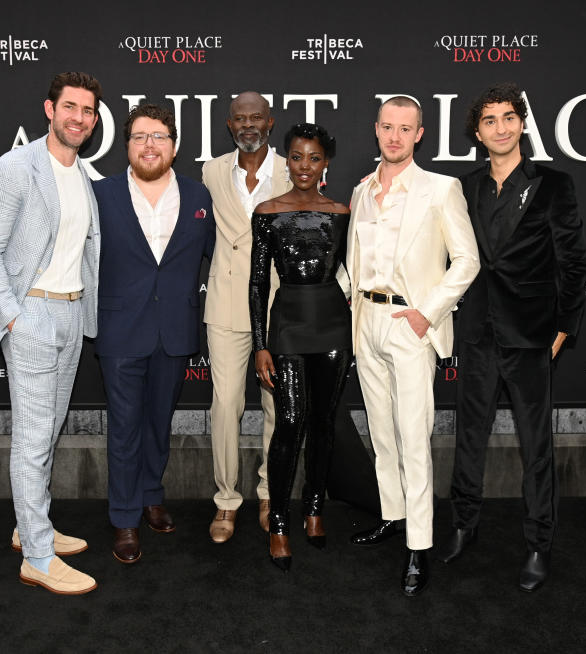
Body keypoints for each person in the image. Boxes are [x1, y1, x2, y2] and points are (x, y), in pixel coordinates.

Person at [440, 82, 586, 592]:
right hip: (477, 331)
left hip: (531, 336)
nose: (500, 128)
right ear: (477, 133)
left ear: (521, 123)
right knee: (469, 437)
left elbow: (572, 261)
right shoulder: (463, 187)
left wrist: (565, 327)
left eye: (508, 117)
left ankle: (539, 543)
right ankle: (463, 525)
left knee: (537, 446)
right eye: (489, 121)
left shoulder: (553, 185)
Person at [0, 72, 102, 595]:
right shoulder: (14, 168)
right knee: (33, 438)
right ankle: (38, 558)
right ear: (49, 109)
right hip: (32, 315)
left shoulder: (84, 176)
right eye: (70, 107)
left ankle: (29, 526)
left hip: (71, 313)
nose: (78, 118)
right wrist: (14, 316)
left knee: (49, 429)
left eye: (88, 111)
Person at [347, 96, 479, 595]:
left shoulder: (441, 190)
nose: (395, 137)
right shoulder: (361, 191)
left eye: (406, 129)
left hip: (411, 323)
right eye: (387, 127)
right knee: (381, 432)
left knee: (413, 437)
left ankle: (419, 545)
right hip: (368, 322)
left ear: (420, 133)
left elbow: (466, 261)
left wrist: (428, 313)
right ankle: (393, 515)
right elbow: (354, 265)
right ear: (376, 129)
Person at [92, 103, 215, 564]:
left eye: (159, 136)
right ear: (127, 146)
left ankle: (150, 494)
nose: (150, 144)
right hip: (120, 329)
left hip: (175, 330)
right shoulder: (100, 195)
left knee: (158, 422)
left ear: (175, 145)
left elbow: (218, 258)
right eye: (141, 136)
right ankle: (124, 518)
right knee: (124, 428)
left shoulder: (198, 196)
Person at [249, 123, 352, 571]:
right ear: (286, 160)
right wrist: (260, 344)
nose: (304, 166)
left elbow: (357, 270)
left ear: (326, 162)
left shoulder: (342, 212)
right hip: (288, 324)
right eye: (296, 157)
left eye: (313, 157)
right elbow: (256, 284)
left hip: (332, 325)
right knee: (289, 422)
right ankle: (278, 522)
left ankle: (313, 510)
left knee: (323, 422)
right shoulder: (267, 212)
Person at [201, 92, 291, 542]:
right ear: (229, 124)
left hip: (278, 307)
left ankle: (271, 493)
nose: (248, 124)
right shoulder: (212, 171)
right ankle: (226, 500)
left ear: (270, 122)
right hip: (225, 305)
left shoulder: (292, 169)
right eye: (240, 118)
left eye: (256, 117)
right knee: (225, 406)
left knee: (277, 406)